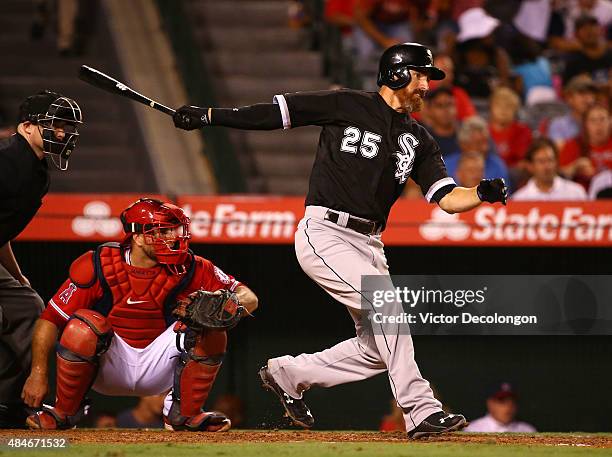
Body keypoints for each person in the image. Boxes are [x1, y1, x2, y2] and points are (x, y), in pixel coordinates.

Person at [172, 42, 508, 439]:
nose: (425, 86)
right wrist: (211, 116)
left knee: (376, 348)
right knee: (388, 310)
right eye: (421, 75)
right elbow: (276, 114)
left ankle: (287, 373)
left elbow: (448, 199)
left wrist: (480, 193)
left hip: (369, 243)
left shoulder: (419, 138)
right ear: (397, 73)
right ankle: (420, 410)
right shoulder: (347, 104)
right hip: (326, 232)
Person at [21, 198, 258, 431]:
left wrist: (232, 302)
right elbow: (50, 319)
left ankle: (184, 415)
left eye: (175, 230)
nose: (173, 237)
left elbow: (249, 297)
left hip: (161, 366)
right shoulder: (98, 264)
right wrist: (38, 373)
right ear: (138, 236)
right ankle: (65, 412)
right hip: (108, 365)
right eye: (163, 231)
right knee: (81, 326)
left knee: (212, 331)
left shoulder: (192, 266)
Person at [0, 90, 82, 428]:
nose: (62, 134)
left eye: (66, 127)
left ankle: (6, 405)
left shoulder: (37, 172)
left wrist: (17, 276)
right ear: (27, 127)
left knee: (30, 307)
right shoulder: (5, 159)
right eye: (55, 125)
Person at [512, 138, 588, 201]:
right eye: (541, 161)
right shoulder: (519, 199)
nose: (547, 166)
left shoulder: (576, 193)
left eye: (550, 160)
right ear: (530, 166)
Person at [444, 116, 511, 186]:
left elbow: (504, 195)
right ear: (463, 144)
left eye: (486, 142)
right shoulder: (446, 167)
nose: (485, 148)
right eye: (479, 143)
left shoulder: (497, 166)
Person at [559, 104, 612, 186]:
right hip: (582, 195)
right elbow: (559, 174)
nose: (598, 125)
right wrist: (575, 167)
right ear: (585, 124)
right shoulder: (573, 145)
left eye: (602, 119)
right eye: (593, 120)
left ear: (610, 121)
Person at [546, 75, 598, 148]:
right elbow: (559, 152)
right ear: (569, 98)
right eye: (582, 93)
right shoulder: (559, 125)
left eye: (591, 94)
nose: (589, 99)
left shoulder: (603, 123)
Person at [465, 382, 536, 433]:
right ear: (490, 404)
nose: (509, 407)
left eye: (512, 402)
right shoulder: (474, 430)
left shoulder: (527, 430)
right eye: (502, 402)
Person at [562, 15, 612, 85]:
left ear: (601, 31)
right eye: (585, 28)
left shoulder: (610, 53)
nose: (590, 31)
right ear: (576, 34)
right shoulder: (573, 59)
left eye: (593, 27)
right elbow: (565, 89)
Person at [422, 86, 460, 156]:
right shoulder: (424, 141)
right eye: (439, 106)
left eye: (449, 104)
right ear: (429, 110)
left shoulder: (466, 136)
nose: (446, 110)